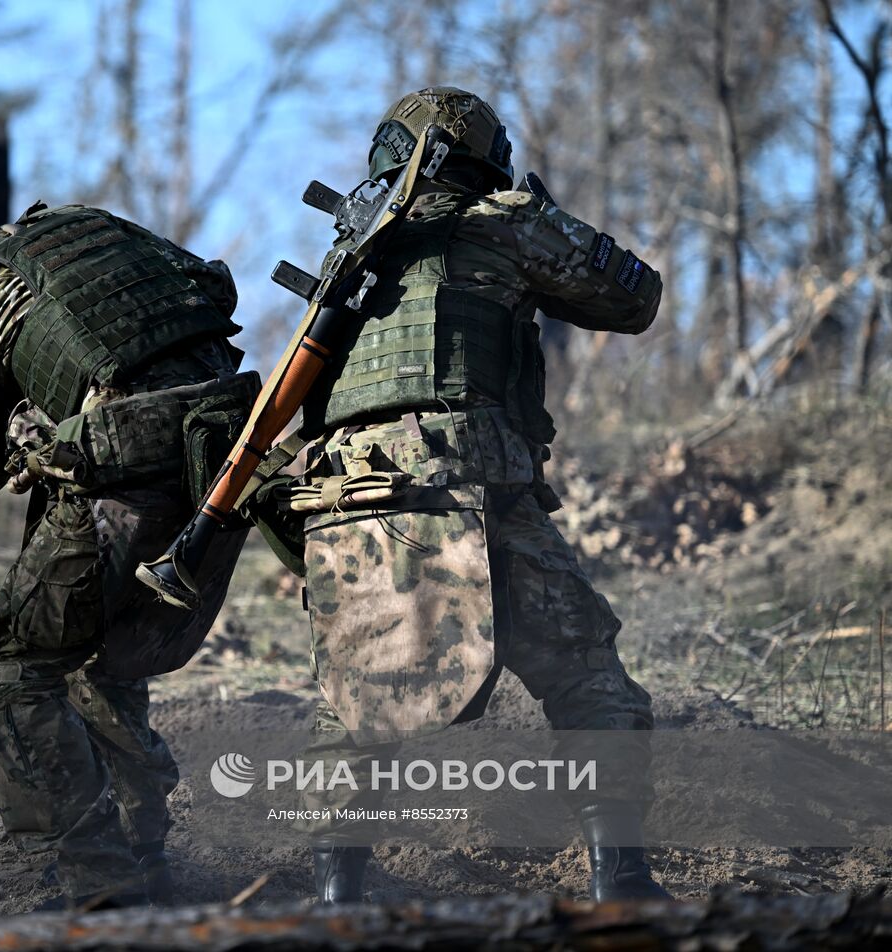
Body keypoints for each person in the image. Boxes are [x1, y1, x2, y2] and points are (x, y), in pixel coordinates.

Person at [278, 87, 671, 903]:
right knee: (581, 664)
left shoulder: (354, 252)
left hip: (352, 492)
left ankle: (335, 892)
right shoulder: (499, 219)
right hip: (468, 474)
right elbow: (635, 298)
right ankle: (621, 880)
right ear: (483, 155)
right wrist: (542, 216)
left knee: (359, 688)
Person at [0, 158, 256, 909]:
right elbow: (178, 311)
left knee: (14, 670)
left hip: (121, 479)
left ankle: (99, 882)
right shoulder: (71, 234)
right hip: (222, 462)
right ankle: (146, 858)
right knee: (98, 664)